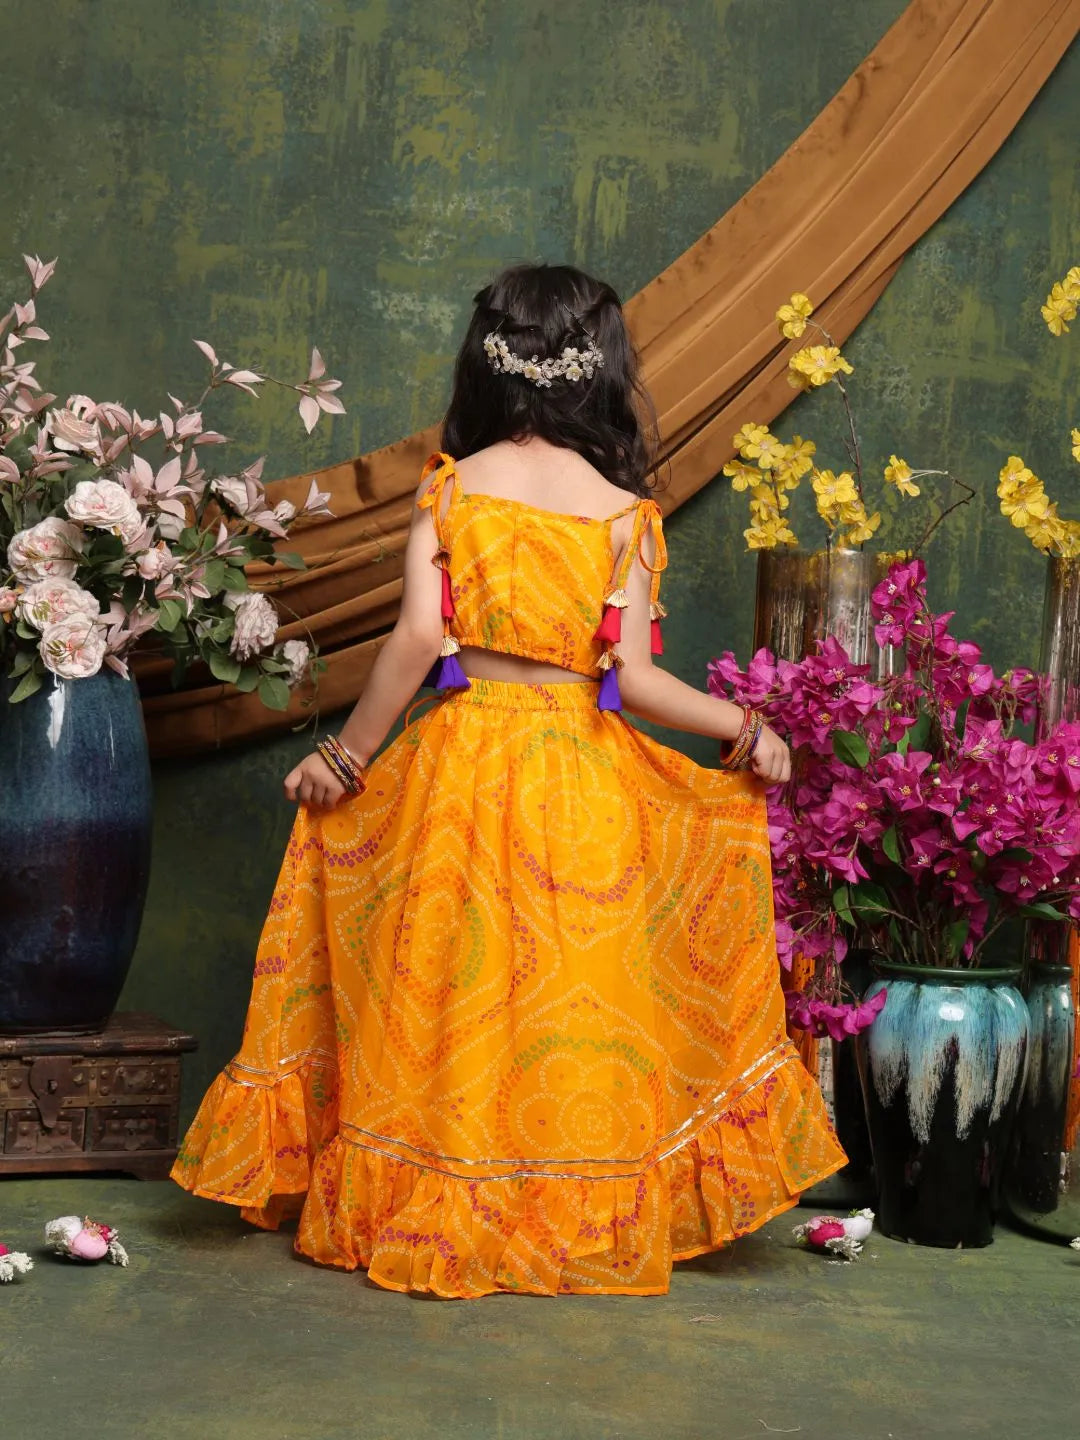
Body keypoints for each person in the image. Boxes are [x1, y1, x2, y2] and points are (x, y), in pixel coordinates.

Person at [171, 263, 846, 1297]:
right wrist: (746, 725)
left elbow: (415, 642)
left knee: (458, 987)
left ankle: (445, 1193)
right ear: (603, 368)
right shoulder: (624, 512)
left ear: (486, 365)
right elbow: (635, 678)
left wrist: (344, 758)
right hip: (581, 778)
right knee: (574, 996)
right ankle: (560, 1197)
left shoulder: (452, 487)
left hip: (461, 765)